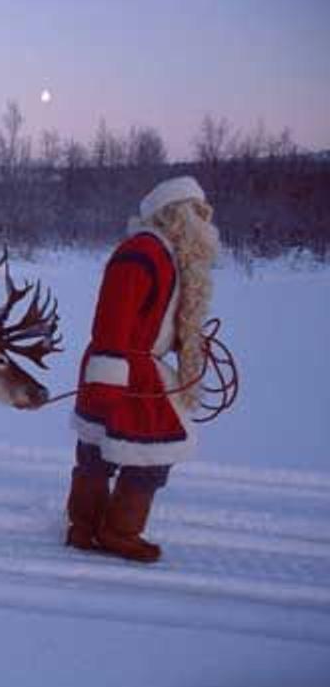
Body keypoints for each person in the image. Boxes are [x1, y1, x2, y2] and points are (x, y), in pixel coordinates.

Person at [65, 176, 220, 562]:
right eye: (197, 213)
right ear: (176, 215)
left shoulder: (167, 254)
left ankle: (85, 528)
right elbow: (112, 318)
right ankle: (116, 532)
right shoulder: (141, 253)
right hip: (125, 369)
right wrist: (109, 379)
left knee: (98, 450)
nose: (205, 224)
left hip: (131, 366)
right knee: (147, 456)